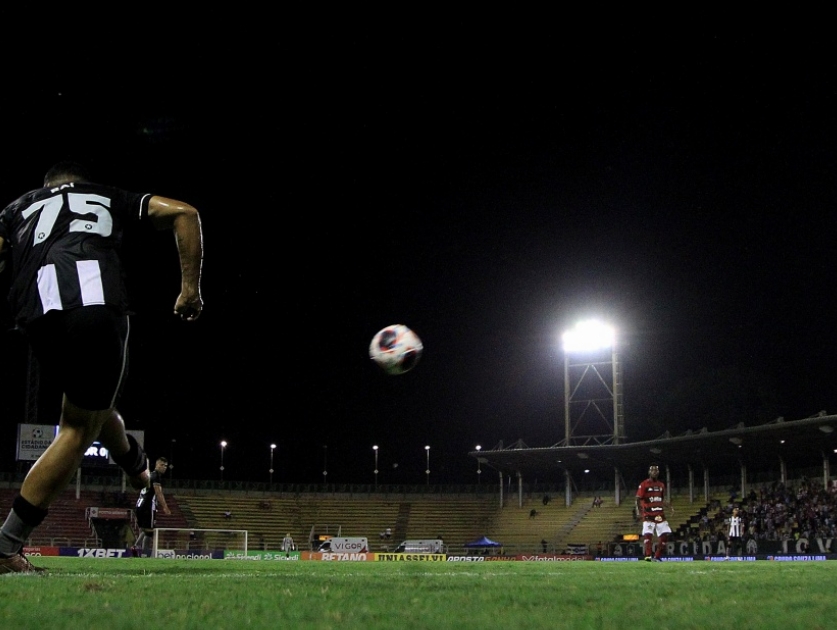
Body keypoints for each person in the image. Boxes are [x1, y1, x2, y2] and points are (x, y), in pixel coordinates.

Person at [0, 161, 203, 572]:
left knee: (89, 408)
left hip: (35, 312)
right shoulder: (105, 195)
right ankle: (5, 547)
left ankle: (140, 474)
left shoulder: (15, 208)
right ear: (82, 183)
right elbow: (186, 213)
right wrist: (190, 291)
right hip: (94, 303)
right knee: (77, 429)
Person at [132, 457, 172, 556]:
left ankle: (136, 548)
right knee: (150, 531)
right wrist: (165, 506)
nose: (164, 467)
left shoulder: (149, 475)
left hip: (139, 504)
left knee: (145, 529)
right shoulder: (156, 476)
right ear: (157, 465)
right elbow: (158, 492)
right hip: (148, 506)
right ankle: (144, 553)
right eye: (162, 465)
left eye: (165, 466)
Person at [635, 464, 673, 562]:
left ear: (658, 472)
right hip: (648, 514)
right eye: (652, 470)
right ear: (649, 472)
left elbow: (661, 499)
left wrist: (669, 507)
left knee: (664, 536)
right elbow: (638, 499)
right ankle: (648, 556)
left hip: (660, 514)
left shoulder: (661, 485)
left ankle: (657, 556)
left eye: (656, 470)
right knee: (648, 535)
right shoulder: (644, 484)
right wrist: (638, 511)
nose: (654, 472)